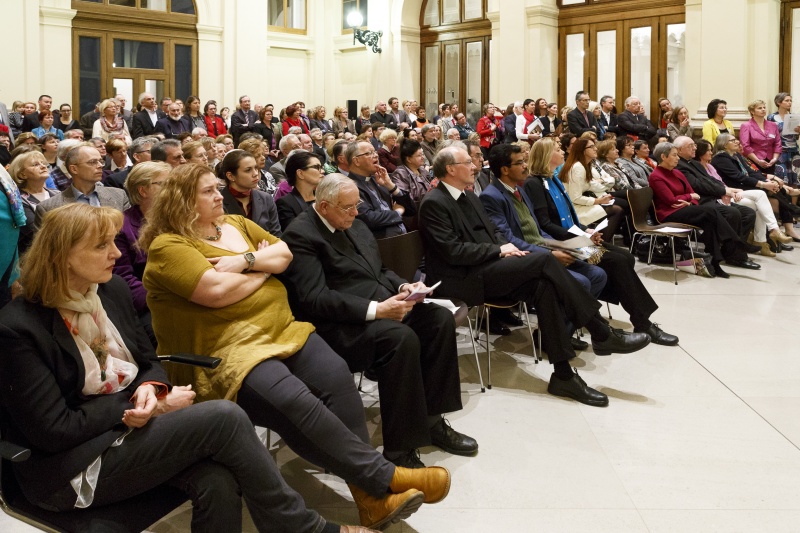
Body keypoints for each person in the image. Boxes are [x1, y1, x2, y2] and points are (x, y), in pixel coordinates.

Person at [0, 202, 378, 533]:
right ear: (61, 255)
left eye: (114, 241)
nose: (117, 253)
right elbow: (53, 430)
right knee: (223, 417)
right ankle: (308, 526)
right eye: (101, 246)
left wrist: (152, 389)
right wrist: (140, 405)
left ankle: (305, 519)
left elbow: (149, 362)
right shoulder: (19, 327)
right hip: (69, 466)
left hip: (129, 432)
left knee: (218, 478)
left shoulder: (108, 292)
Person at [138, 163, 449, 529]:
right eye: (208, 191)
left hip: (283, 330)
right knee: (295, 401)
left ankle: (370, 498)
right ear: (181, 201)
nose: (219, 195)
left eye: (217, 188)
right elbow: (215, 292)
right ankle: (383, 479)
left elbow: (284, 255)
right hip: (229, 350)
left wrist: (247, 262)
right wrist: (264, 267)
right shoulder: (169, 245)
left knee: (337, 381)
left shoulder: (235, 226)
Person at [418, 146, 651, 407]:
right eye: (468, 163)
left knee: (545, 286)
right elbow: (453, 252)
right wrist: (499, 250)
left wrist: (507, 249)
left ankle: (563, 375)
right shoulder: (434, 202)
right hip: (461, 278)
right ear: (450, 169)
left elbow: (493, 233)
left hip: (486, 266)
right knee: (542, 260)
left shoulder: (469, 196)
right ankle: (599, 330)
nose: (475, 167)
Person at [280, 173, 478, 468]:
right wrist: (376, 309)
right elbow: (314, 298)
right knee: (400, 340)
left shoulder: (353, 224)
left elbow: (379, 270)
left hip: (382, 306)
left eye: (356, 205)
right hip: (340, 326)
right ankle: (400, 447)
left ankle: (432, 421)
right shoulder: (301, 236)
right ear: (323, 207)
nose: (356, 213)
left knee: (438, 319)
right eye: (347, 208)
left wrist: (404, 287)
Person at [488, 141, 678, 345]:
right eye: (558, 149)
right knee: (615, 263)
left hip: (558, 241)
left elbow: (554, 221)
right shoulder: (532, 184)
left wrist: (585, 233)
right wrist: (573, 241)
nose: (563, 152)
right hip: (554, 243)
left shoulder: (547, 181)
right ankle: (635, 322)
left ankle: (594, 323)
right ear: (545, 155)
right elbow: (542, 225)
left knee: (625, 258)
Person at [649, 142, 761, 277]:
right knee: (710, 211)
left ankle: (715, 264)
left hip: (685, 208)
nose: (678, 158)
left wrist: (690, 200)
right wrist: (689, 197)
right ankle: (736, 242)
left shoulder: (677, 172)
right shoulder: (656, 176)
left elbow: (695, 195)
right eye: (674, 155)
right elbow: (671, 201)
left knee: (710, 224)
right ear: (663, 156)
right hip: (668, 214)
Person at [686, 138, 789, 257]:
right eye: (708, 150)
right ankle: (767, 235)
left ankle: (764, 239)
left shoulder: (712, 166)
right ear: (701, 152)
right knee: (759, 198)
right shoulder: (717, 160)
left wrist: (733, 190)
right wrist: (729, 191)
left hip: (730, 191)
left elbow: (724, 182)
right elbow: (733, 179)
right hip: (721, 196)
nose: (711, 153)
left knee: (760, 201)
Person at [113, 161, 171, 344]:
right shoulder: (122, 226)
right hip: (150, 304)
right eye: (164, 184)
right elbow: (123, 278)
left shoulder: (179, 218)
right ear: (143, 191)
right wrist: (164, 299)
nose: (172, 189)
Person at [711, 133, 800, 242]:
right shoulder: (720, 158)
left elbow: (752, 172)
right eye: (732, 140)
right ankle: (787, 217)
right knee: (769, 191)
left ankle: (775, 234)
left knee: (776, 188)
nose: (737, 142)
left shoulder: (736, 156)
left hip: (745, 186)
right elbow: (739, 177)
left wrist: (766, 181)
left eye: (736, 139)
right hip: (735, 190)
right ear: (724, 144)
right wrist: (763, 184)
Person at [35, 145, 130, 227]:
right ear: (74, 169)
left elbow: (130, 236)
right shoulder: (49, 208)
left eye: (101, 161)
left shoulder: (119, 196)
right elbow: (46, 246)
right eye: (93, 162)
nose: (100, 165)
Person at [345, 140, 416, 238]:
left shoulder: (379, 179)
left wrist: (391, 186)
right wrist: (397, 213)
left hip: (403, 235)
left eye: (374, 151)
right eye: (369, 153)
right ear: (356, 161)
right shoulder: (348, 186)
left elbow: (411, 209)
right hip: (382, 243)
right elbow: (369, 219)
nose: (376, 155)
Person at [220, 149, 282, 236]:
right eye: (248, 170)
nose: (255, 173)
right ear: (230, 176)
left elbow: (276, 234)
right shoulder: (218, 202)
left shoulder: (266, 198)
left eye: (255, 168)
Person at [8, 150, 57, 254]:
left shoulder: (57, 193)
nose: (43, 166)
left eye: (43, 163)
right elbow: (36, 231)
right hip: (37, 256)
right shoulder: (17, 201)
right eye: (35, 164)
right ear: (22, 174)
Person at [276, 150, 324, 231]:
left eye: (321, 167)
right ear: (300, 173)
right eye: (316, 167)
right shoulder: (286, 203)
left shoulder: (324, 197)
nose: (322, 171)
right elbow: (294, 234)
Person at [740, 99, 781, 175]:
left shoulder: (773, 125)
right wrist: (758, 161)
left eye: (764, 107)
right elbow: (745, 146)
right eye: (759, 108)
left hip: (770, 161)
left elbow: (777, 143)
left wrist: (775, 159)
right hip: (753, 160)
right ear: (752, 111)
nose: (763, 109)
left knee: (772, 182)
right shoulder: (746, 126)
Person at [768, 92, 800, 186]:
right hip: (780, 150)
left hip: (793, 149)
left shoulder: (794, 117)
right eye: (787, 101)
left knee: (796, 176)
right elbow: (769, 134)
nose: (789, 103)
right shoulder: (772, 117)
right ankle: (784, 200)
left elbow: (796, 136)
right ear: (779, 102)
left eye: (790, 101)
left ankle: (794, 200)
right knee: (782, 175)